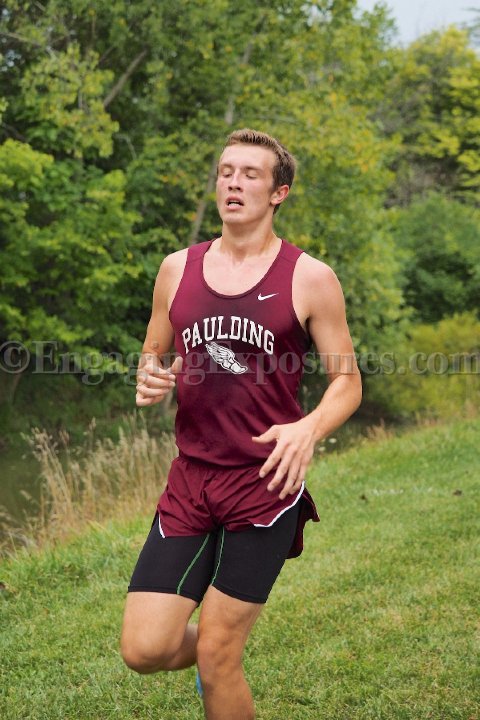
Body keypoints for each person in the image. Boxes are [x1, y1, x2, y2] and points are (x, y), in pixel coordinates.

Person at [120, 128, 362, 720]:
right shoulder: (177, 269)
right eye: (226, 171)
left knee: (218, 655)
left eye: (250, 174)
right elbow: (153, 353)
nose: (233, 182)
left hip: (265, 483)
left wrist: (308, 428)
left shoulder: (309, 277)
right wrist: (151, 377)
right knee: (144, 650)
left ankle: (219, 659)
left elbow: (348, 382)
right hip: (191, 480)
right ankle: (217, 654)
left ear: (279, 193)